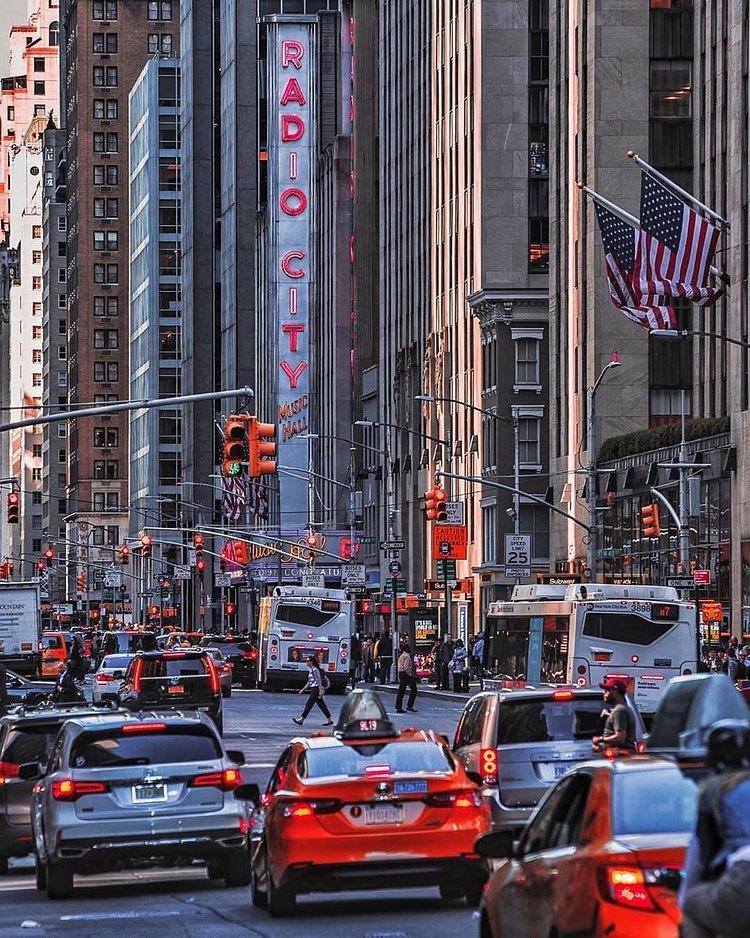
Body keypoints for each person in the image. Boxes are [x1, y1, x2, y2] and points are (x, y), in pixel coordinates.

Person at [680, 720, 750, 938]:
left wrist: (685, 896)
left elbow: (701, 853)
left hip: (744, 877)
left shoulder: (715, 789)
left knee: (692, 905)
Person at [591, 677, 636, 752]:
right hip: (618, 754)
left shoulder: (619, 711)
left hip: (622, 757)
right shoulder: (622, 709)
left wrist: (600, 739)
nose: (604, 693)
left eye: (607, 690)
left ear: (615, 691)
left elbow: (620, 738)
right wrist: (602, 748)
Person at [292, 656, 333, 726]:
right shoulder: (311, 670)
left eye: (308, 661)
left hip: (316, 689)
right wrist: (303, 690)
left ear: (312, 662)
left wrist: (320, 690)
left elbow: (318, 679)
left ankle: (301, 719)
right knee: (321, 705)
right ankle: (329, 719)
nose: (306, 662)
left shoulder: (315, 669)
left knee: (309, 704)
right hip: (314, 688)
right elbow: (309, 682)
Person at [395, 638, 418, 713]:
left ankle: (398, 707)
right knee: (414, 689)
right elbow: (406, 667)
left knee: (401, 691)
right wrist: (410, 675)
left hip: (401, 673)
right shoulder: (407, 656)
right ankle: (409, 705)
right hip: (406, 674)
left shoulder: (401, 655)